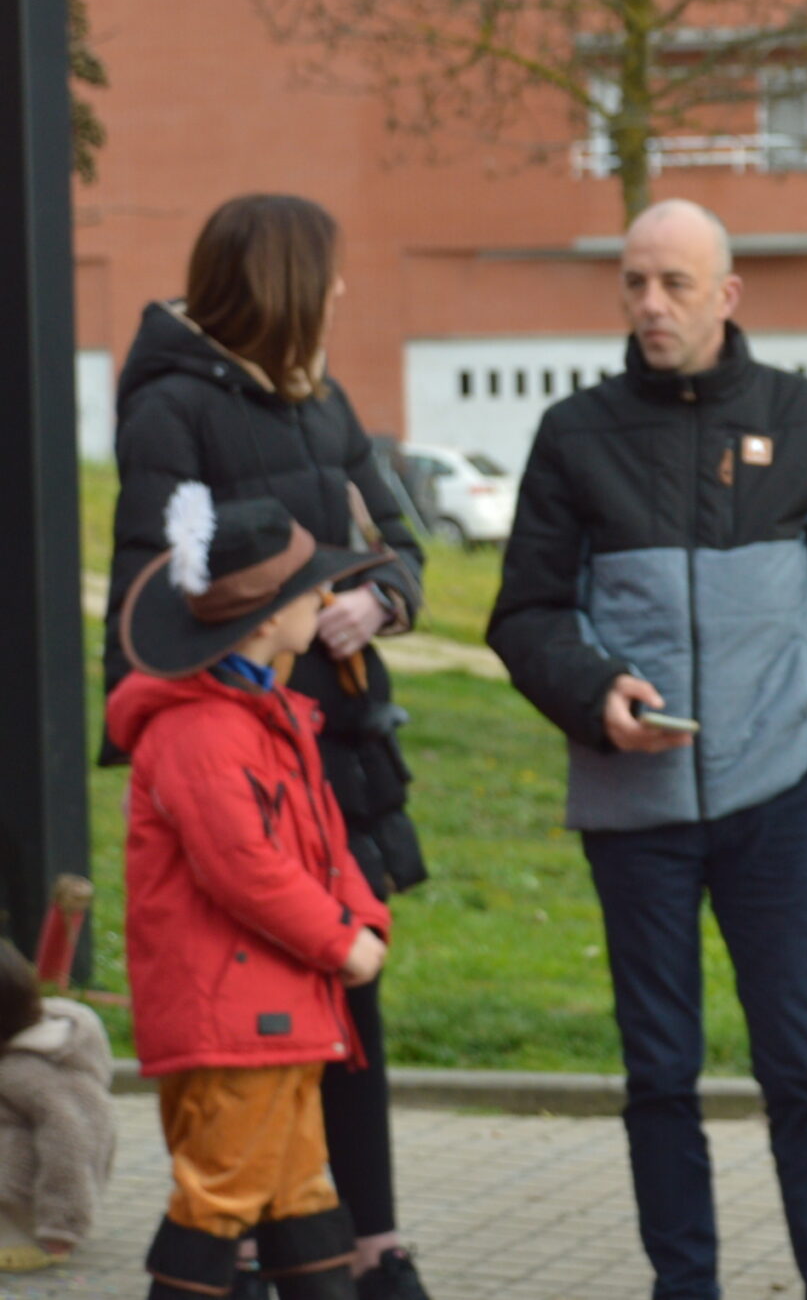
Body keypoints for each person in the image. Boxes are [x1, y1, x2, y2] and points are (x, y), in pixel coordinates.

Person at [487, 198, 807, 1300]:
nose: (650, 303)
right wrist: (593, 694)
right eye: (634, 281)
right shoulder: (575, 434)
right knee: (659, 1076)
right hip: (636, 808)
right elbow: (522, 613)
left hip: (775, 800)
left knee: (802, 1075)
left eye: (674, 283)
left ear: (727, 294)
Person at [104, 193, 431, 1300]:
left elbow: (401, 540)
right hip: (237, 742)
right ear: (284, 283)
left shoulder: (325, 395)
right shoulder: (169, 411)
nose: (341, 292)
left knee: (347, 1003)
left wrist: (377, 601)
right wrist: (236, 680)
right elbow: (158, 598)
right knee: (247, 1011)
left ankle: (364, 1245)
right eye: (327, 274)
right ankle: (233, 1246)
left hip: (333, 737)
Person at [108, 486, 398, 1300]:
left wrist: (361, 914)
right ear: (268, 619)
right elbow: (244, 867)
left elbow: (322, 840)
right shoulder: (200, 729)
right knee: (221, 1199)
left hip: (278, 1012)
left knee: (301, 1197)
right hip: (232, 1018)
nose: (330, 603)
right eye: (317, 594)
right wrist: (340, 942)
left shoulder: (264, 710)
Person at [0, 941, 114, 1275]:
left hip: (29, 1207)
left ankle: (20, 1235)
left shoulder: (36, 1072)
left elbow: (73, 1146)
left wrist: (62, 1227)